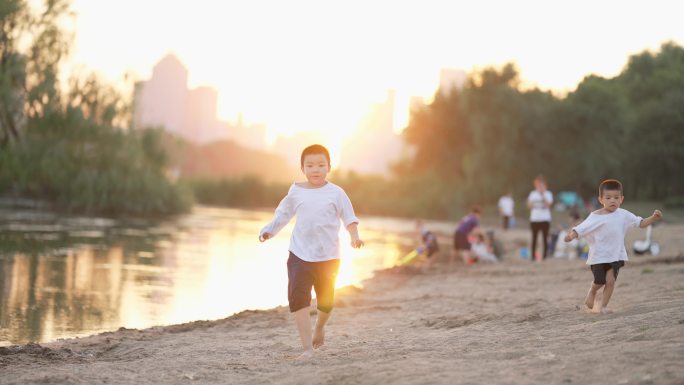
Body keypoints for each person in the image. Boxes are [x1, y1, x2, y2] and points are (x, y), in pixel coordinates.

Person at [259, 144, 364, 360]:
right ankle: (307, 349)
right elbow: (283, 214)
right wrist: (269, 230)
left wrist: (354, 237)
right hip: (299, 254)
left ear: (329, 167)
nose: (315, 170)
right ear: (302, 168)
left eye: (320, 165)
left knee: (326, 302)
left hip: (329, 256)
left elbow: (349, 217)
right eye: (310, 165)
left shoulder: (336, 193)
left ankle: (320, 327)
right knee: (299, 298)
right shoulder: (296, 191)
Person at [564, 179, 662, 313]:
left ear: (621, 199)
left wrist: (653, 218)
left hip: (616, 255)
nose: (612, 200)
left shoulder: (624, 215)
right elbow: (581, 228)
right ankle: (592, 291)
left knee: (610, 281)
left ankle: (603, 307)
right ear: (600, 199)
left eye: (616, 197)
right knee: (599, 281)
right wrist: (571, 235)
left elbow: (640, 223)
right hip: (598, 256)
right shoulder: (595, 216)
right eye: (608, 197)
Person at [527, 175, 553, 261]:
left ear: (544, 185)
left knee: (545, 238)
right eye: (538, 185)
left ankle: (544, 256)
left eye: (541, 185)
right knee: (534, 238)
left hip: (545, 219)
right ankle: (533, 256)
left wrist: (542, 195)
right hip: (534, 219)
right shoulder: (532, 194)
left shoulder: (548, 193)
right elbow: (529, 206)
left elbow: (548, 205)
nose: (539, 186)